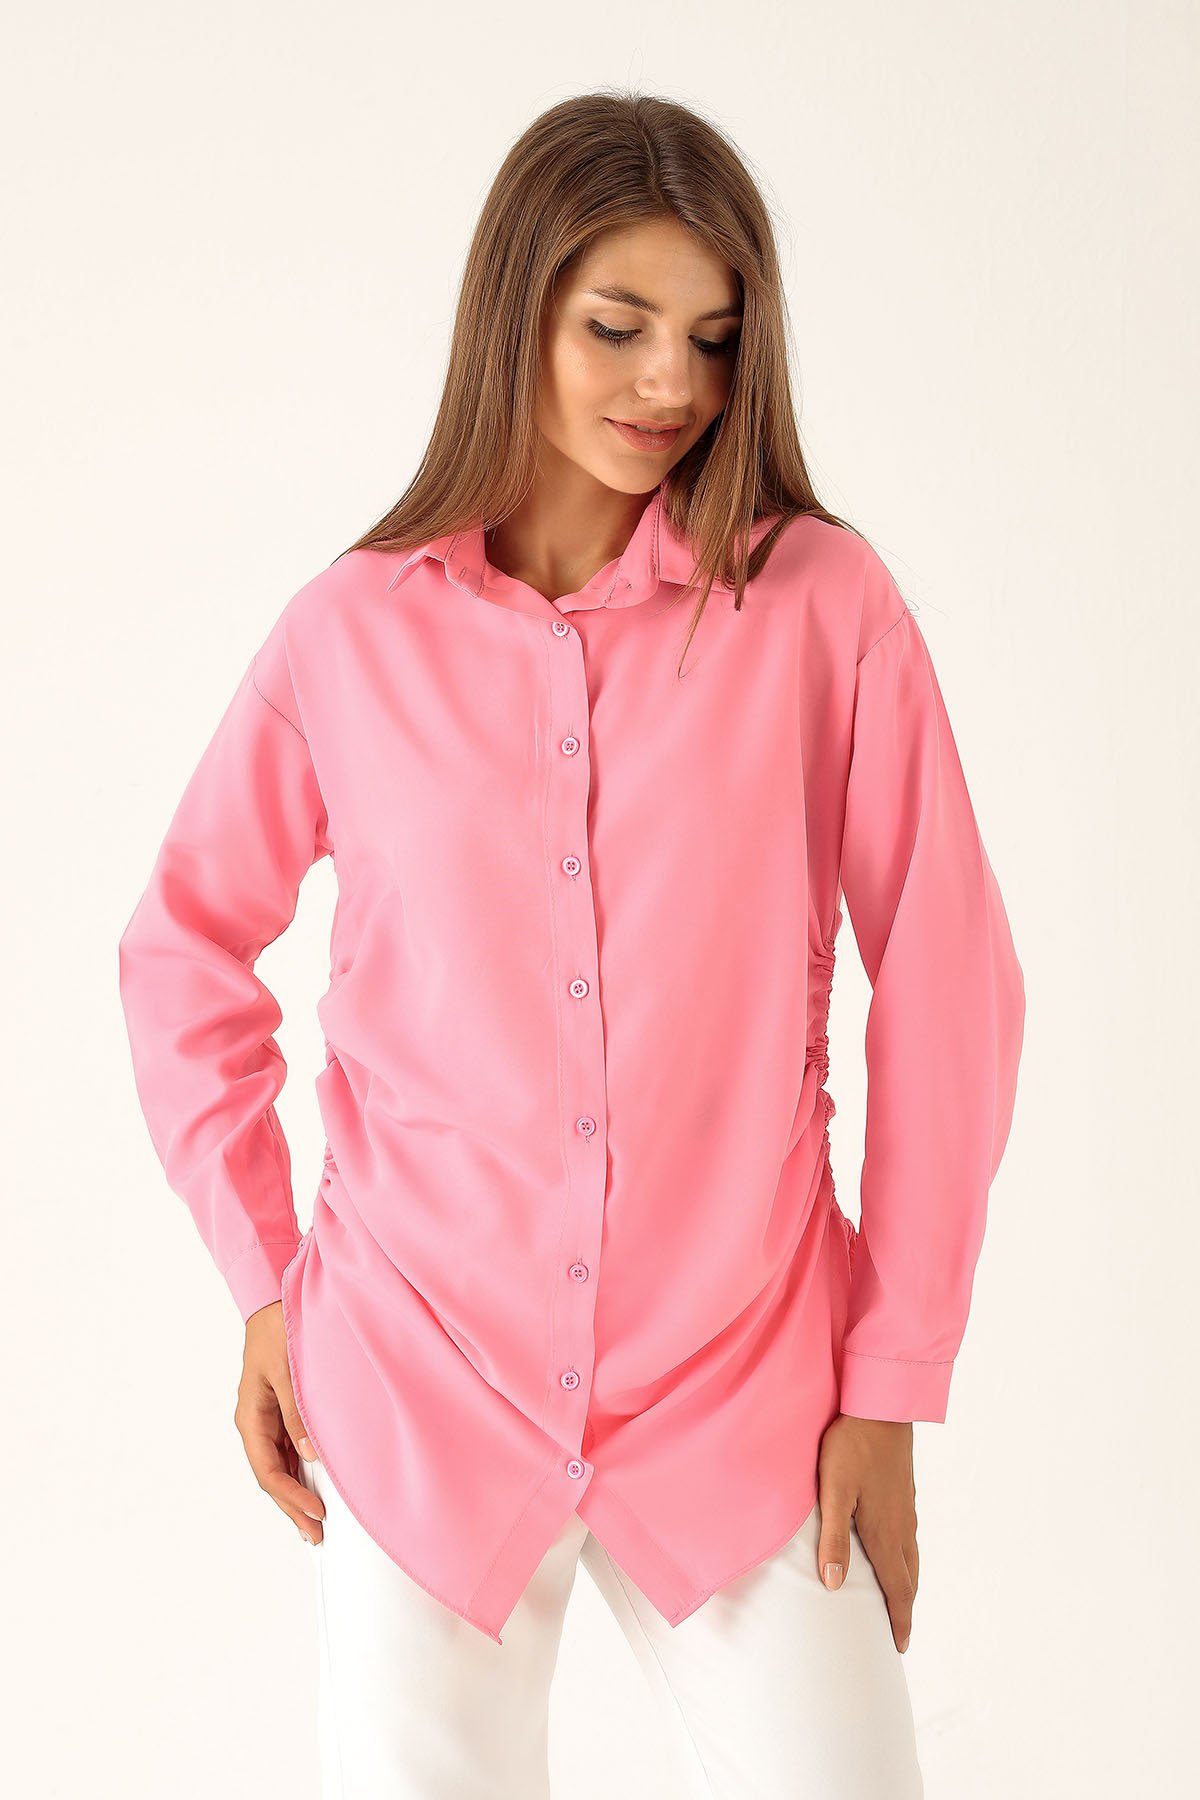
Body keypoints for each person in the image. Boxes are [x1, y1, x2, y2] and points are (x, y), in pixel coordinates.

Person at [117, 89, 1025, 1799]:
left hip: (749, 1386)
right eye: (618, 325)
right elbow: (181, 945)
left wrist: (893, 1380)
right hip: (415, 1375)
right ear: (514, 311)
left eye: (713, 337)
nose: (671, 382)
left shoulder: (819, 609)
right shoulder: (350, 634)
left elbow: (951, 982)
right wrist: (264, 1274)